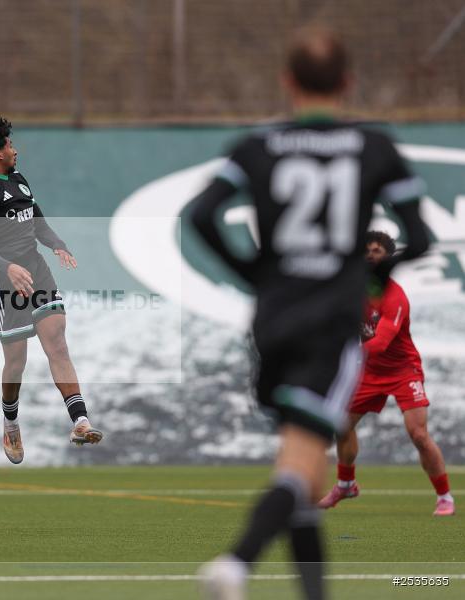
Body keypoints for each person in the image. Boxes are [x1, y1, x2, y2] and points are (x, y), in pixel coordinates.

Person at [190, 27, 430, 600]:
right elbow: (418, 237)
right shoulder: (375, 147)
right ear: (348, 82)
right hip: (332, 328)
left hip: (273, 325)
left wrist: (258, 276)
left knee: (304, 469)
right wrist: (372, 276)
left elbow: (201, 215)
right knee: (300, 465)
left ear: (288, 82)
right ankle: (237, 563)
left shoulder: (258, 147)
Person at [0, 115, 103, 464]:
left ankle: (80, 422)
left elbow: (38, 223)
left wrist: (57, 244)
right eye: (10, 144)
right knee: (16, 361)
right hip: (2, 280)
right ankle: (10, 422)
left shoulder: (19, 180)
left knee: (56, 342)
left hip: (36, 271)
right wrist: (8, 268)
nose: (15, 149)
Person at [318, 231, 454, 516]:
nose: (371, 254)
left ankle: (444, 497)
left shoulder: (395, 297)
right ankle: (346, 485)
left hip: (403, 370)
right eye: (366, 249)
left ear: (389, 258)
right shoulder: (352, 290)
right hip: (369, 371)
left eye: (378, 250)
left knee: (418, 434)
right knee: (341, 424)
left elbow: (379, 344)